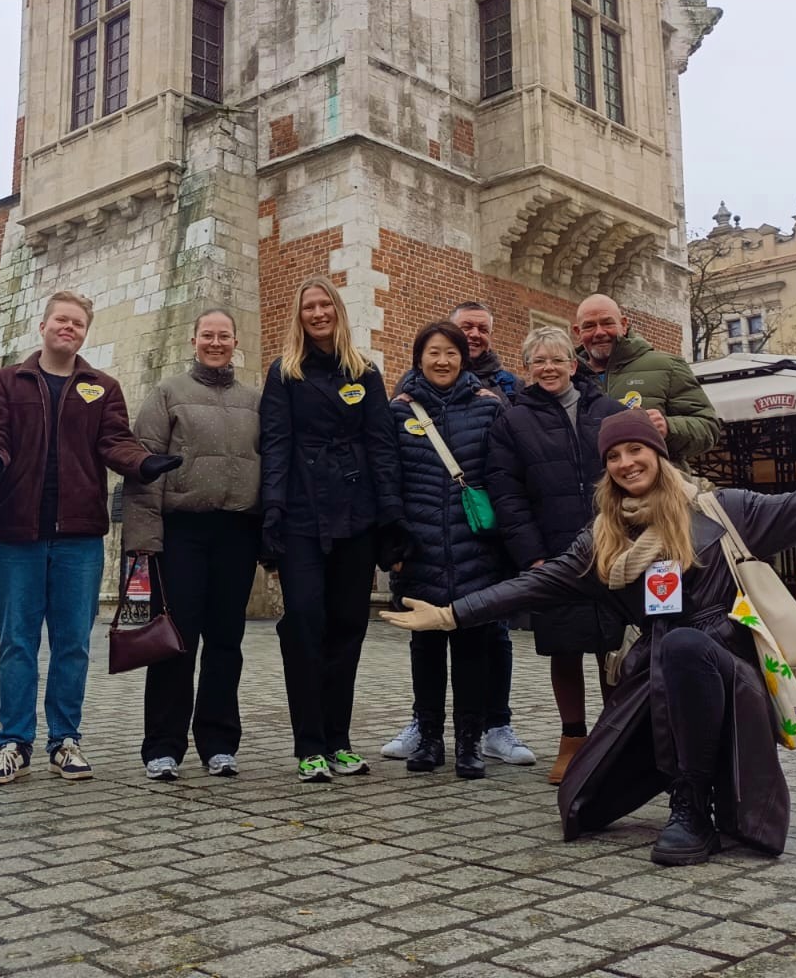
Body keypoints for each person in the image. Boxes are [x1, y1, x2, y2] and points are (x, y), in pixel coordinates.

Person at [383, 410, 796, 865]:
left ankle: (692, 810)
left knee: (685, 644)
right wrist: (451, 615)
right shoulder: (601, 544)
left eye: (636, 449)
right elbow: (526, 589)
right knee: (582, 805)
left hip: (730, 669)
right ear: (607, 469)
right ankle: (676, 790)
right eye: (614, 454)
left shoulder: (724, 511)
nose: (626, 462)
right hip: (653, 685)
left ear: (658, 454)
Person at [0, 290, 181, 785]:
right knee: (17, 643)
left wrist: (144, 464)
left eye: (78, 324)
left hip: (79, 537)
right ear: (43, 325)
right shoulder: (6, 382)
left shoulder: (101, 387)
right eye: (60, 320)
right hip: (15, 533)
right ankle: (13, 743)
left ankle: (65, 740)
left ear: (85, 333)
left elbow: (114, 441)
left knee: (72, 643)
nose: (68, 328)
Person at [260, 277, 405, 783]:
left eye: (325, 305)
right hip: (302, 515)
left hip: (356, 516)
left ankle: (339, 739)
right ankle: (309, 744)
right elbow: (275, 446)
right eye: (309, 307)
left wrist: (391, 518)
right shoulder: (285, 374)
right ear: (299, 317)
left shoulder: (365, 372)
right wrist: (271, 516)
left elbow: (382, 446)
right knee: (304, 623)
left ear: (338, 312)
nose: (318, 313)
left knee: (348, 627)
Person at [384, 299, 534, 767]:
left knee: (473, 647)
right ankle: (428, 736)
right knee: (425, 646)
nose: (443, 360)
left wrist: (508, 547)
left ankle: (471, 741)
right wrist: (394, 545)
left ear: (463, 359)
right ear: (419, 358)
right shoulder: (398, 412)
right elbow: (388, 482)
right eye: (433, 352)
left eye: (451, 353)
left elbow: (507, 478)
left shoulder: (490, 409)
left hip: (476, 548)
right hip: (421, 547)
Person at [124, 308, 262, 781]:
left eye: (224, 335)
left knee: (227, 642)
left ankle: (220, 743)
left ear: (235, 342)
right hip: (182, 531)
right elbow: (143, 469)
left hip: (237, 532)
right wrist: (143, 543)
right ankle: (162, 746)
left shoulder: (255, 400)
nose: (216, 343)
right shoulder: (168, 394)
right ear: (193, 340)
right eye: (208, 335)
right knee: (175, 642)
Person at [488, 326, 628, 784]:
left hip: (613, 550)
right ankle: (573, 740)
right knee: (564, 650)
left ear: (574, 363)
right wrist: (532, 557)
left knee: (615, 650)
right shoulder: (512, 420)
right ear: (526, 370)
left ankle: (618, 740)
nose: (548, 368)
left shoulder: (607, 411)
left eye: (557, 359)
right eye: (538, 361)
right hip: (554, 552)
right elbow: (507, 494)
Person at [572, 295, 720, 464]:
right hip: (595, 488)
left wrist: (669, 427)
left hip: (659, 487)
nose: (599, 332)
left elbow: (709, 429)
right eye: (589, 326)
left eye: (607, 323)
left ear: (624, 324)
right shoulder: (569, 379)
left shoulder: (667, 366)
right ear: (578, 332)